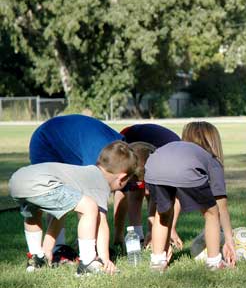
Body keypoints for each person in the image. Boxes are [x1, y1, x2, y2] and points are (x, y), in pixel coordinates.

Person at [9, 141, 137, 275]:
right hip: (41, 184)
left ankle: (36, 258)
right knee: (90, 207)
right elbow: (101, 224)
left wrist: (48, 248)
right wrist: (105, 259)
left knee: (33, 214)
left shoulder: (83, 172)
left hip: (18, 180)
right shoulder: (100, 182)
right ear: (122, 178)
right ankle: (88, 261)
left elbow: (59, 214)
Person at [145, 122, 236, 271]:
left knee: (162, 213)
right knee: (212, 213)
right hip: (177, 168)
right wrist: (229, 240)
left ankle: (157, 261)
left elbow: (173, 202)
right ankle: (214, 263)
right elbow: (222, 207)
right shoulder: (211, 160)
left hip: (153, 166)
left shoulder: (178, 148)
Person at [29, 114, 123, 248]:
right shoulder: (100, 155)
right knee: (54, 198)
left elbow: (121, 193)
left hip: (70, 143)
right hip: (46, 141)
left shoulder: (120, 152)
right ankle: (56, 249)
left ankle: (80, 246)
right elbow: (92, 201)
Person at [112, 124, 180, 250]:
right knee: (132, 190)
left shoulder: (173, 163)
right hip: (131, 137)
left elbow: (173, 198)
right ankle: (129, 236)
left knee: (156, 193)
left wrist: (171, 228)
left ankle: (153, 234)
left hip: (159, 147)